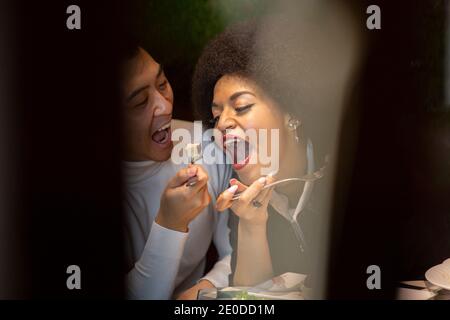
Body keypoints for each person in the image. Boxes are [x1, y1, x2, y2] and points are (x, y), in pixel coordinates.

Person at [192, 14, 360, 289]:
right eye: (216, 116)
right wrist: (252, 225)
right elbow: (250, 299)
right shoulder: (244, 201)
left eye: (242, 107)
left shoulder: (341, 172)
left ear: (291, 111)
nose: (222, 124)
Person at [121, 44, 232, 299]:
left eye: (162, 84)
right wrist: (169, 225)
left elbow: (236, 251)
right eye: (140, 102)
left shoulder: (210, 144)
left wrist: (203, 291)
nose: (165, 106)